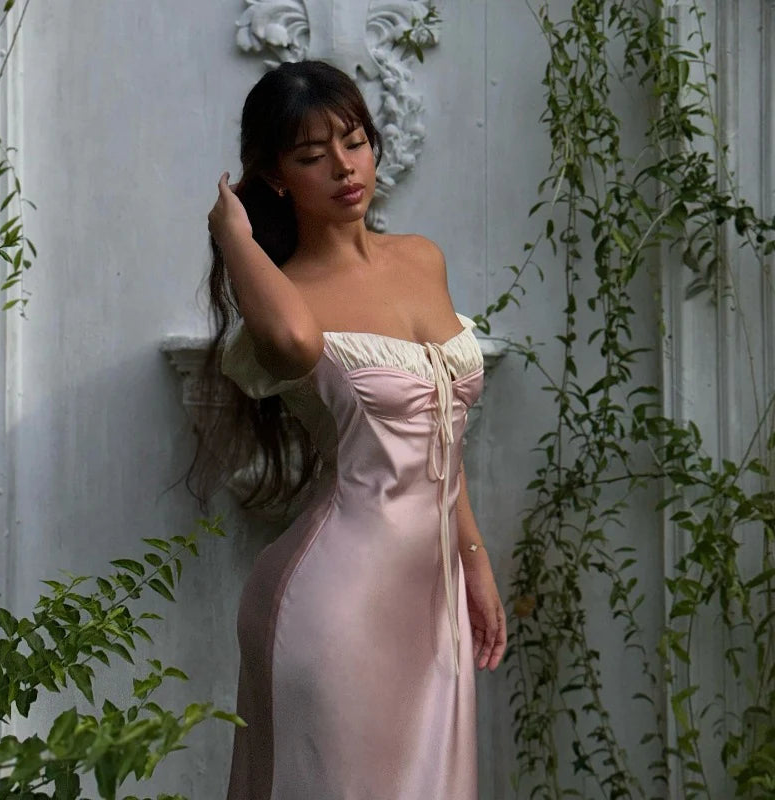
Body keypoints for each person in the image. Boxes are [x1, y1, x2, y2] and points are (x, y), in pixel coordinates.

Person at [202, 59, 506, 800]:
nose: (344, 166)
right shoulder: (292, 298)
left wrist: (474, 559)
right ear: (274, 176)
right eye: (311, 155)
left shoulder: (422, 258)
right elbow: (295, 346)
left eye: (355, 140)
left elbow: (444, 440)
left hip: (431, 608)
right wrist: (232, 234)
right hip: (334, 609)